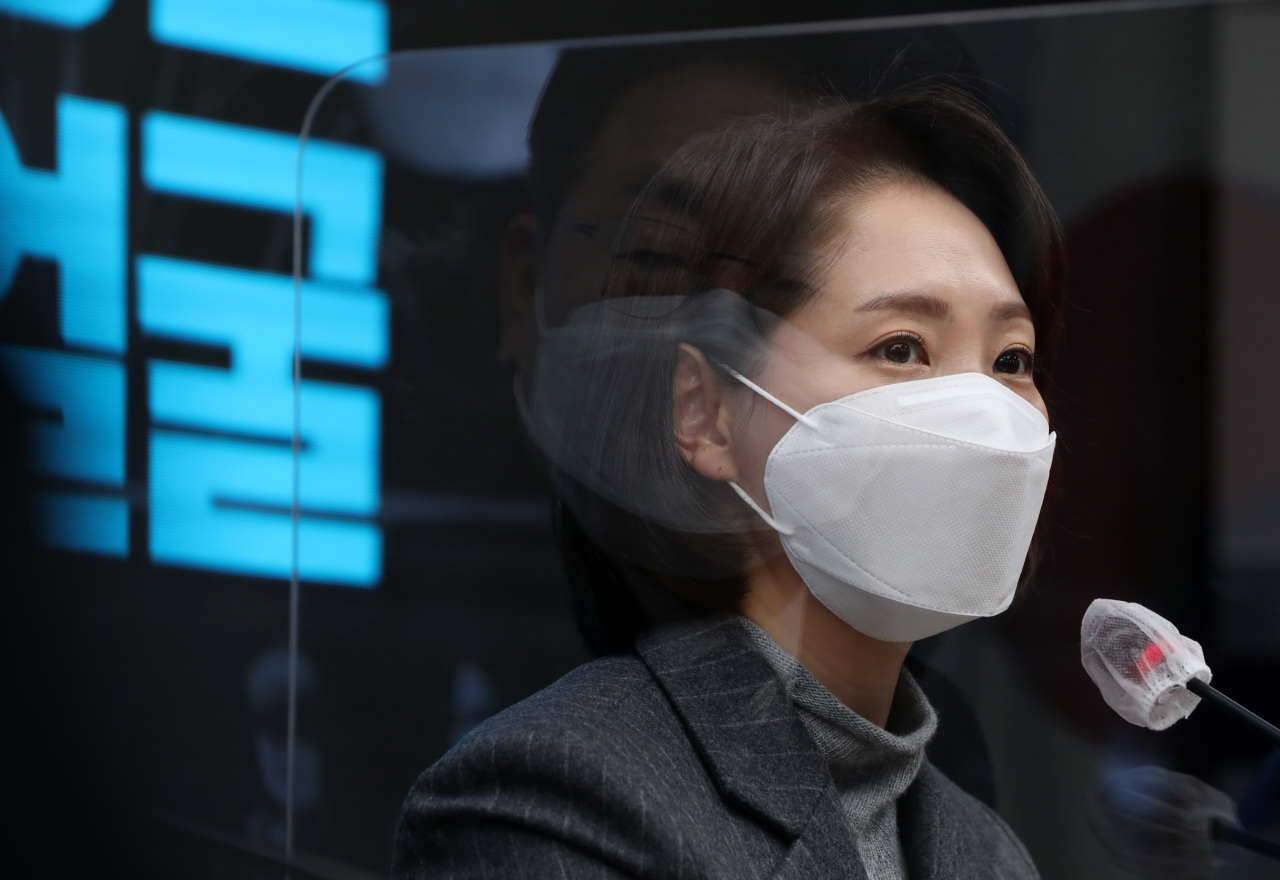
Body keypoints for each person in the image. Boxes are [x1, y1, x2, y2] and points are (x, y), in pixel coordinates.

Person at [394, 81, 1065, 878]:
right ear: (707, 412)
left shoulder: (990, 855)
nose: (982, 410)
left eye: (1011, 360)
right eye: (900, 346)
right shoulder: (559, 795)